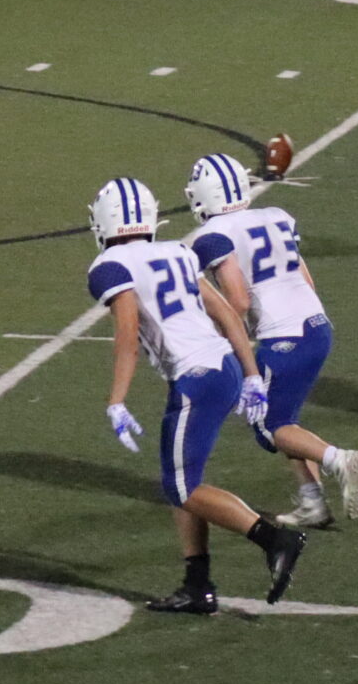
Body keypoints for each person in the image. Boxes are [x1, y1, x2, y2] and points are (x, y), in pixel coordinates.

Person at [85, 177, 307, 615]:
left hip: (197, 377)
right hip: (222, 366)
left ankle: (274, 539)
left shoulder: (109, 267)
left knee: (181, 487)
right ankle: (197, 585)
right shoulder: (178, 251)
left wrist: (117, 399)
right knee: (183, 481)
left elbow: (128, 334)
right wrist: (250, 375)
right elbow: (227, 314)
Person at [184, 153, 358, 527]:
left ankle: (337, 459)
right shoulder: (276, 216)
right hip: (316, 325)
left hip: (284, 336)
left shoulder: (213, 236)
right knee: (286, 421)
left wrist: (218, 340)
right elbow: (306, 280)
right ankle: (313, 502)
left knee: (270, 427)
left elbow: (238, 300)